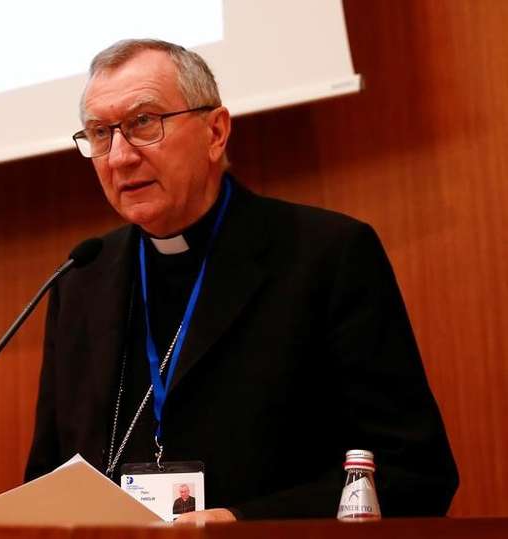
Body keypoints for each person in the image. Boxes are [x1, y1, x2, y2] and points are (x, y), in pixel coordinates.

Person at [25, 39, 458, 522]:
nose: (120, 156)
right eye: (101, 134)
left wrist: (244, 523)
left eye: (144, 123)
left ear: (215, 132)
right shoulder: (81, 278)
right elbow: (48, 477)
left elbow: (414, 473)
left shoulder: (326, 255)